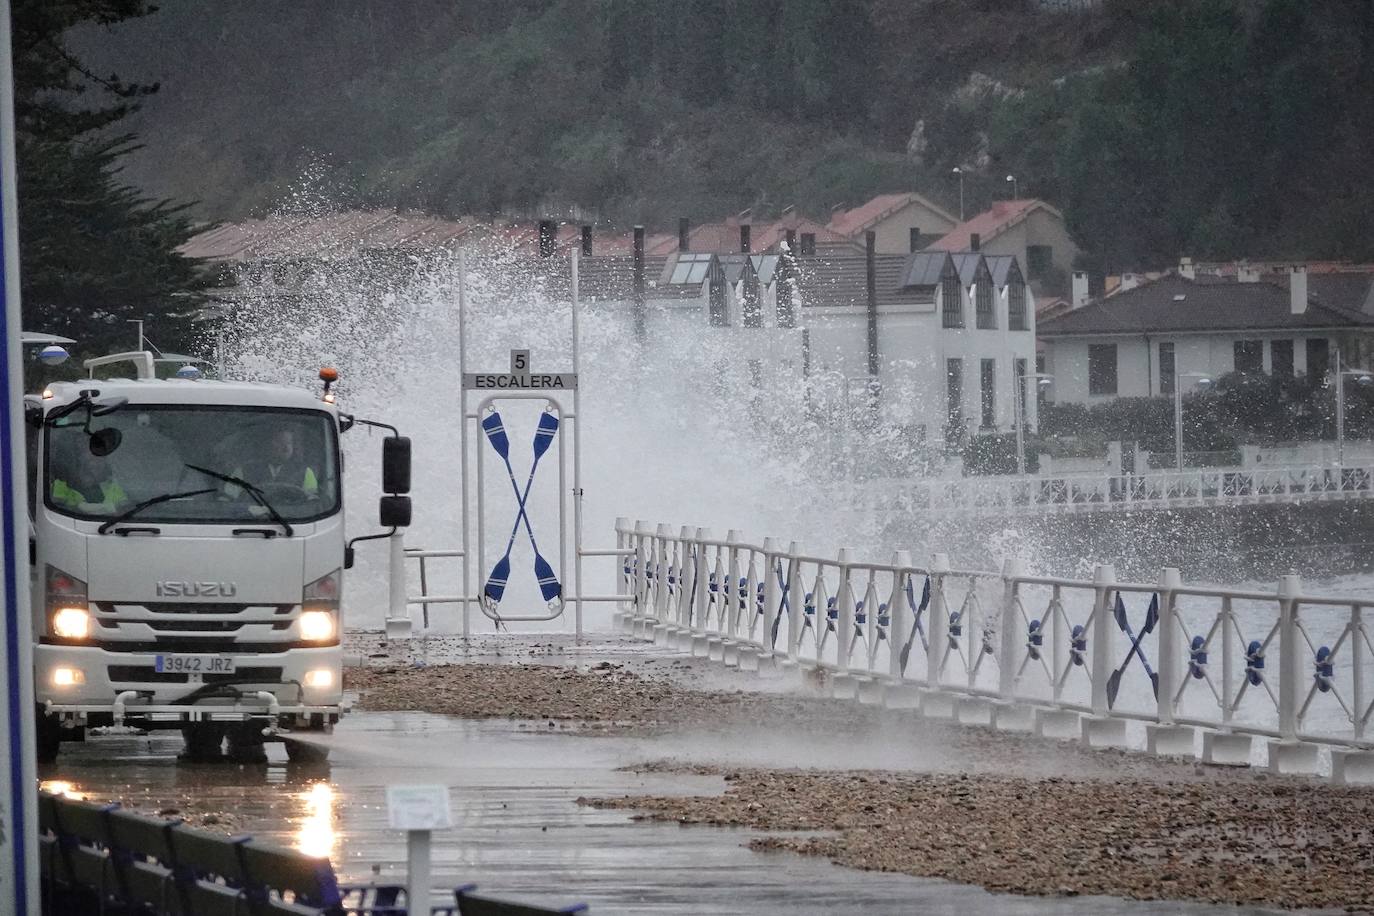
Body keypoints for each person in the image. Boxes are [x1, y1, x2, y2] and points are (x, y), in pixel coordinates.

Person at [50, 440, 128, 514]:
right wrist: (77, 508)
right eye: (90, 459)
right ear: (77, 462)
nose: (94, 464)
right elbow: (56, 511)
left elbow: (124, 511)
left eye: (100, 459)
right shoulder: (60, 486)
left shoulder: (112, 487)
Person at [238, 428, 318, 497]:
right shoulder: (244, 470)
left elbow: (313, 502)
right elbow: (230, 500)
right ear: (268, 444)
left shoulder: (305, 472)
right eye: (281, 442)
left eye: (289, 443)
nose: (286, 448)